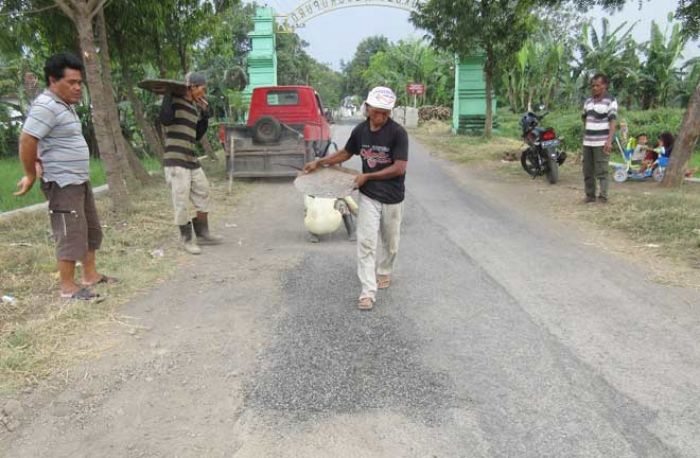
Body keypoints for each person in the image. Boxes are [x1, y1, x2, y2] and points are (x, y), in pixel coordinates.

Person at [15, 53, 117, 300]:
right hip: (62, 182)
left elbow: (46, 140)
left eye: (79, 83)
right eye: (71, 82)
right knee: (69, 232)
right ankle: (68, 287)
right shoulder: (46, 105)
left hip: (78, 179)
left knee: (90, 229)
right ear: (53, 80)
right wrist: (30, 173)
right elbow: (28, 138)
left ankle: (90, 275)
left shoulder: (63, 105)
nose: (77, 87)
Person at [303, 86, 408, 311]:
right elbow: (346, 153)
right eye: (377, 111)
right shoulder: (361, 131)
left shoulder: (398, 133)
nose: (381, 117)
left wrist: (367, 175)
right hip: (369, 195)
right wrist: (319, 162)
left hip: (392, 196)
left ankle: (385, 270)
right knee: (366, 243)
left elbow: (399, 168)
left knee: (391, 244)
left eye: (386, 113)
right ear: (368, 108)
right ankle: (367, 291)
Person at [160, 72, 222, 254]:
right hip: (175, 160)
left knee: (203, 192)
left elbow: (197, 135)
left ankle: (203, 234)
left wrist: (205, 115)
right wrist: (168, 94)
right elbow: (164, 119)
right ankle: (186, 240)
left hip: (191, 159)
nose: (204, 93)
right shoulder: (176, 102)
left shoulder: (194, 107)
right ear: (193, 87)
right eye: (202, 89)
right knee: (180, 200)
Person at [582, 73, 618, 203]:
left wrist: (609, 140)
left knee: (602, 170)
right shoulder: (588, 102)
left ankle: (603, 196)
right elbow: (584, 119)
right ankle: (590, 195)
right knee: (587, 170)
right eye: (593, 85)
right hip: (588, 142)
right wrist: (585, 135)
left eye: (598, 85)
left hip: (601, 142)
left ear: (605, 86)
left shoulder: (610, 101)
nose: (594, 88)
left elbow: (613, 121)